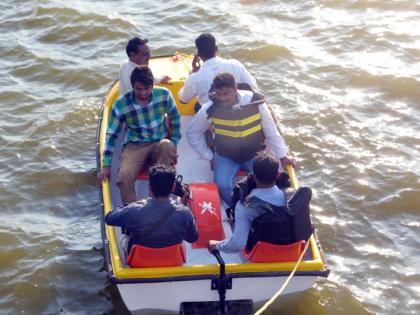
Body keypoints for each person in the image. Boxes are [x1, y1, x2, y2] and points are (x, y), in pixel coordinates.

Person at [186, 72, 295, 206]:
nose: (222, 98)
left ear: (235, 88)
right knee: (222, 185)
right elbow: (192, 133)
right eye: (219, 94)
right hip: (225, 155)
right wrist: (209, 156)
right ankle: (236, 208)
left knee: (267, 181)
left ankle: (262, 207)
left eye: (226, 93)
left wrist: (283, 156)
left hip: (254, 153)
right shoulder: (209, 108)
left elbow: (271, 130)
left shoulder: (255, 102)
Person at [97, 65, 181, 204]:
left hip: (160, 143)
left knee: (167, 148)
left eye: (146, 88)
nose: (143, 93)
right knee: (123, 177)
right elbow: (112, 135)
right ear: (132, 87)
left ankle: (158, 205)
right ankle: (134, 215)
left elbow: (176, 118)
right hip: (134, 145)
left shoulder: (164, 95)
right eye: (138, 89)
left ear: (152, 84)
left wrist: (174, 143)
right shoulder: (120, 104)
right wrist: (106, 165)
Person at [105, 165, 199, 255]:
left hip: (141, 261)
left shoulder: (134, 210)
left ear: (149, 187)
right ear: (173, 187)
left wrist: (135, 204)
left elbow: (109, 218)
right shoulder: (185, 212)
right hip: (172, 261)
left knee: (125, 239)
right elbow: (193, 238)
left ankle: (130, 267)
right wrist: (184, 205)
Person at [208, 152, 286, 253]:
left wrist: (216, 245)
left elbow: (238, 245)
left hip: (261, 253)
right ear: (278, 174)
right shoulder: (289, 196)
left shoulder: (244, 207)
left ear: (253, 176)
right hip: (290, 247)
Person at [178, 33, 257, 107]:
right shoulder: (235, 65)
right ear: (216, 49)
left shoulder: (194, 78)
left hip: (214, 115)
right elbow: (252, 86)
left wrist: (194, 72)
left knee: (197, 106)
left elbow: (183, 100)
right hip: (239, 111)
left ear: (199, 55)